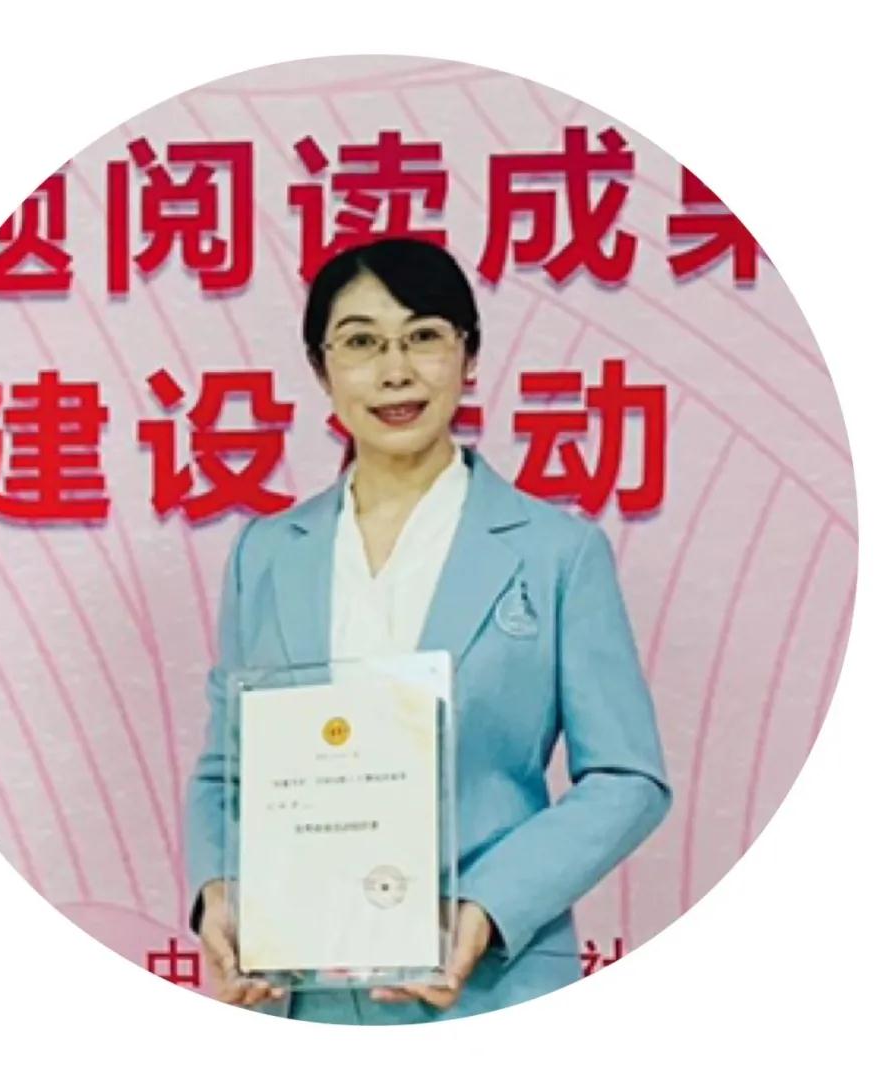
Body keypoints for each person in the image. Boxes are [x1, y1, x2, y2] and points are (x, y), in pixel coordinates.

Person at [185, 237, 671, 1024]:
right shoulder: (267, 554)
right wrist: (218, 892)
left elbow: (628, 777)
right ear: (321, 370)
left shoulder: (557, 552)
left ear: (468, 356)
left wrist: (489, 905)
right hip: (299, 993)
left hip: (492, 985)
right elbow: (227, 770)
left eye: (423, 336)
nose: (395, 371)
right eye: (360, 342)